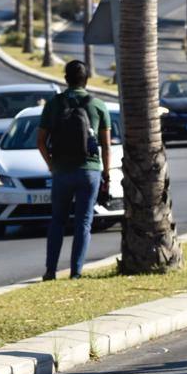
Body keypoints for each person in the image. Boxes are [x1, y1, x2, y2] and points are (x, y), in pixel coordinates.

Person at [37, 60, 112, 281]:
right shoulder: (98, 105)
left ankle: (50, 271)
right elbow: (106, 145)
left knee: (57, 221)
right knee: (83, 222)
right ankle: (76, 272)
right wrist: (106, 173)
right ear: (86, 80)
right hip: (89, 171)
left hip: (62, 171)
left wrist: (52, 165)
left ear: (66, 79)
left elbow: (40, 142)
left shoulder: (53, 104)